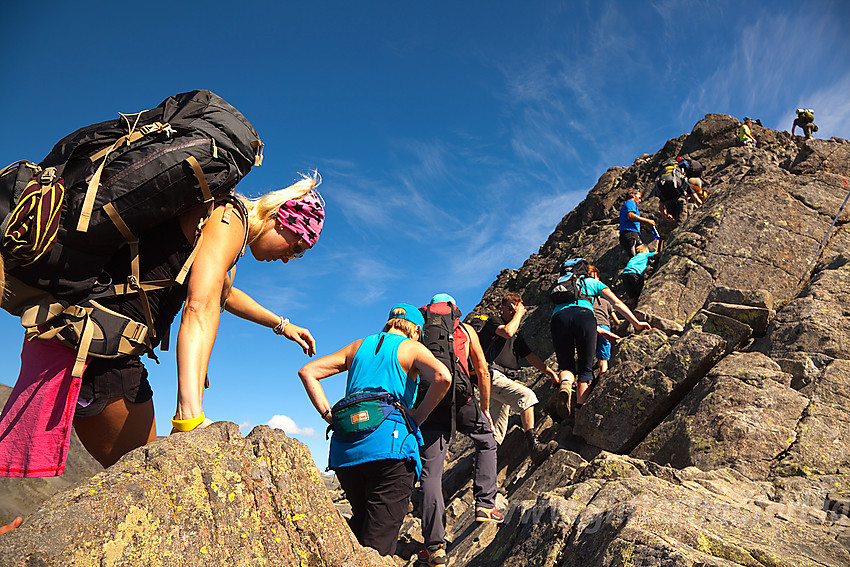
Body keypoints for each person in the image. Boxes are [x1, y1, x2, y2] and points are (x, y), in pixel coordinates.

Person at [0, 174, 323, 476]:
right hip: (99, 349)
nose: (289, 258)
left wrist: (282, 325)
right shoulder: (228, 218)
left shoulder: (221, 225)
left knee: (142, 473)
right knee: (143, 476)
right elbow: (200, 307)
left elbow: (223, 294)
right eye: (297, 247)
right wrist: (189, 415)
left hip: (98, 340)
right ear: (282, 217)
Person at [298, 303, 451, 556]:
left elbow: (308, 372)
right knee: (378, 547)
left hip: (345, 453)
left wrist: (329, 416)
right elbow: (443, 377)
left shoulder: (358, 346)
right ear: (415, 329)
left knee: (361, 530)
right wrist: (418, 416)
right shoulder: (411, 347)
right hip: (391, 451)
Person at [418, 294, 501, 567]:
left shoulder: (419, 328)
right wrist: (485, 408)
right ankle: (485, 505)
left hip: (429, 401)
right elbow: (483, 370)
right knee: (487, 441)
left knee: (431, 472)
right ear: (454, 312)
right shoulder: (464, 330)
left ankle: (434, 547)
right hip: (461, 399)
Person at [550, 261, 650, 409]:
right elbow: (616, 303)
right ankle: (580, 409)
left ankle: (565, 384)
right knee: (585, 369)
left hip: (558, 318)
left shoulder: (561, 284)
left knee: (566, 366)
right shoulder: (592, 282)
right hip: (584, 316)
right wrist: (636, 323)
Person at [474, 293, 559, 463]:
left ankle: (481, 467)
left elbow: (530, 356)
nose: (515, 311)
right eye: (511, 307)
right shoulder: (494, 322)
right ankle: (534, 448)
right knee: (527, 397)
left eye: (518, 306)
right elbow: (507, 332)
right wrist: (519, 314)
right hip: (491, 375)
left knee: (496, 430)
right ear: (503, 308)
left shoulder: (516, 335)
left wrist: (549, 372)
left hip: (502, 378)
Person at [587, 266, 620, 377]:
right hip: (604, 327)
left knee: (588, 356)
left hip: (590, 327)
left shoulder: (586, 301)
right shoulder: (606, 302)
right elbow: (616, 321)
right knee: (603, 357)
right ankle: (602, 376)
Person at [652, 158, 702, 224]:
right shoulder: (677, 174)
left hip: (668, 202)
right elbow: (688, 187)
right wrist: (698, 201)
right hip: (679, 198)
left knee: (678, 221)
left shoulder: (661, 180)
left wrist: (666, 215)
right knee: (682, 223)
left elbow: (661, 206)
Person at [618, 189, 656, 257]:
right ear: (633, 195)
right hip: (631, 233)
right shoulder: (631, 202)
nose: (640, 200)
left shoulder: (625, 205)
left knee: (635, 255)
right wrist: (648, 221)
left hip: (627, 234)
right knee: (642, 252)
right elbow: (630, 216)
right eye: (639, 197)